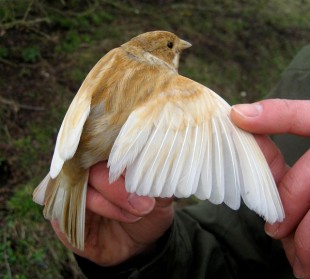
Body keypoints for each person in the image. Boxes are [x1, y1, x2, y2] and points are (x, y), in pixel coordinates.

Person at [51, 46, 310, 278]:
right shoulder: (303, 71)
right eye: (171, 45)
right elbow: (239, 237)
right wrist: (148, 254)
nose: (182, 46)